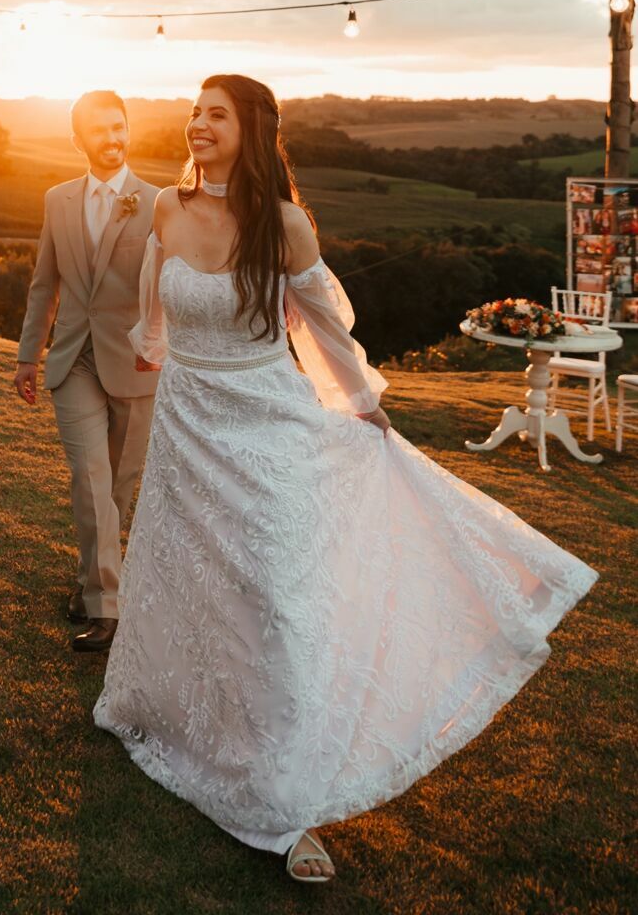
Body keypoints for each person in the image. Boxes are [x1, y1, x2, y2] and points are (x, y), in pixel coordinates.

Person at [94, 74, 597, 884]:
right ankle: (157, 710)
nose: (197, 125)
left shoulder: (283, 226)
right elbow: (157, 304)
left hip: (267, 424)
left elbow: (324, 331)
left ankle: (280, 798)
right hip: (189, 425)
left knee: (275, 597)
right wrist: (154, 347)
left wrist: (366, 411)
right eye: (194, 111)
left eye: (215, 115)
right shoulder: (165, 208)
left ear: (252, 130)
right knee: (185, 579)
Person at [15, 90, 160, 651]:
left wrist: (161, 343)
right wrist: (30, 354)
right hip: (73, 357)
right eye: (98, 129)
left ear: (129, 130)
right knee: (92, 477)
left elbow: (168, 287)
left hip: (137, 362)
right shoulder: (57, 200)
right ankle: (107, 609)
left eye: (119, 126)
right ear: (78, 139)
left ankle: (89, 584)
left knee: (118, 487)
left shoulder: (159, 203)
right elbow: (44, 282)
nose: (112, 137)